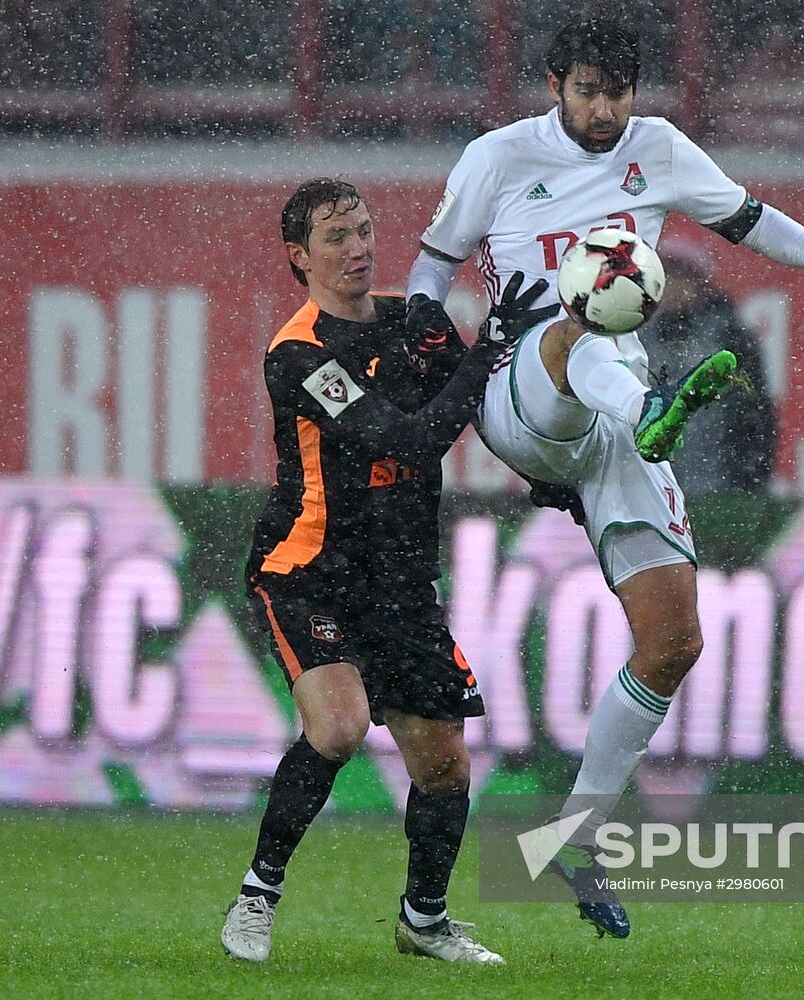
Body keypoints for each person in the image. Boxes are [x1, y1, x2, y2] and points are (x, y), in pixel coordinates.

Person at [405, 16, 804, 939]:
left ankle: (575, 836)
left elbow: (746, 219)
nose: (605, 110)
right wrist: (432, 352)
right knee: (583, 319)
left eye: (619, 92)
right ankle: (651, 412)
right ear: (555, 84)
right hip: (522, 387)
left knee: (673, 641)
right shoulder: (498, 158)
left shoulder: (659, 150)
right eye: (588, 91)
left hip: (617, 415)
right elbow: (429, 273)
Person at [220, 178, 551, 966]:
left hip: (400, 582)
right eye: (336, 238)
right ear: (300, 257)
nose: (358, 247)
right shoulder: (297, 352)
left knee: (444, 763)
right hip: (310, 570)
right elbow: (404, 441)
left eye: (364, 230)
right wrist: (486, 351)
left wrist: (549, 464)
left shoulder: (414, 323)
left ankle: (424, 921)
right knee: (335, 729)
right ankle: (258, 894)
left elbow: (484, 408)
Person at [637, 238, 777, 496]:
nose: (674, 288)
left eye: (683, 278)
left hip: (717, 484)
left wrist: (749, 482)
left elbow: (755, 415)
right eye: (667, 278)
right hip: (647, 483)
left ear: (700, 284)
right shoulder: (634, 334)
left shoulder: (731, 338)